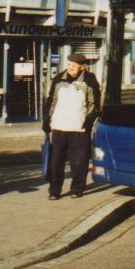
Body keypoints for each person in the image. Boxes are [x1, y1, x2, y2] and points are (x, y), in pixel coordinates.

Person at [42, 53, 100, 200]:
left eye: (74, 66)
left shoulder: (90, 80)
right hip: (59, 126)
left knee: (79, 162)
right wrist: (46, 120)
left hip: (79, 128)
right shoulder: (58, 79)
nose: (70, 68)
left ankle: (77, 189)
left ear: (82, 67)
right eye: (69, 65)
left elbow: (94, 104)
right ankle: (54, 190)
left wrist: (88, 121)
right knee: (56, 162)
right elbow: (51, 101)